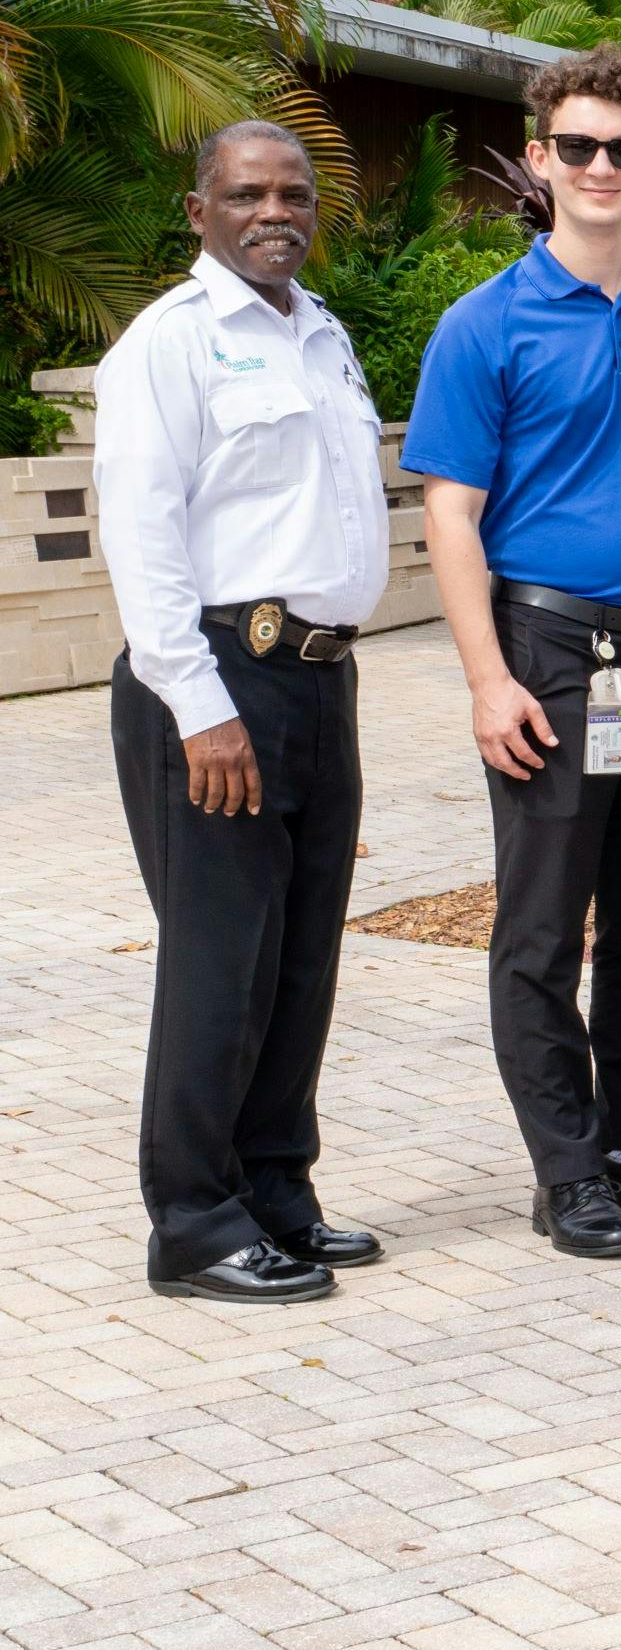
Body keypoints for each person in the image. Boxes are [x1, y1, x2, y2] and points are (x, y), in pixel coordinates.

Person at [406, 45, 621, 1260]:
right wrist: (487, 677)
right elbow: (450, 512)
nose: (603, 167)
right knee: (542, 933)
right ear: (540, 159)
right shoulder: (482, 325)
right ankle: (567, 1168)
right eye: (579, 147)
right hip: (548, 650)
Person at [95, 123, 390, 1304]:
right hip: (216, 681)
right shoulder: (169, 346)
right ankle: (193, 1220)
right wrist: (197, 704)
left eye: (294, 192)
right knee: (221, 962)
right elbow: (143, 535)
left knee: (301, 956)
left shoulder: (319, 334)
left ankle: (274, 1185)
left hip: (321, 677)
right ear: (199, 210)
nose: (276, 210)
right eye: (247, 193)